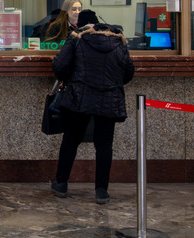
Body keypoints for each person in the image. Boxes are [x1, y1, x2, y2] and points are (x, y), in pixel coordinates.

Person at [50, 19, 135, 204]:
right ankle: (101, 191)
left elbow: (59, 67)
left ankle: (61, 183)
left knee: (71, 141)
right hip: (109, 101)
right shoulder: (120, 43)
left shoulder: (78, 40)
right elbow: (128, 73)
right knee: (104, 146)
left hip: (79, 98)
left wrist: (73, 76)